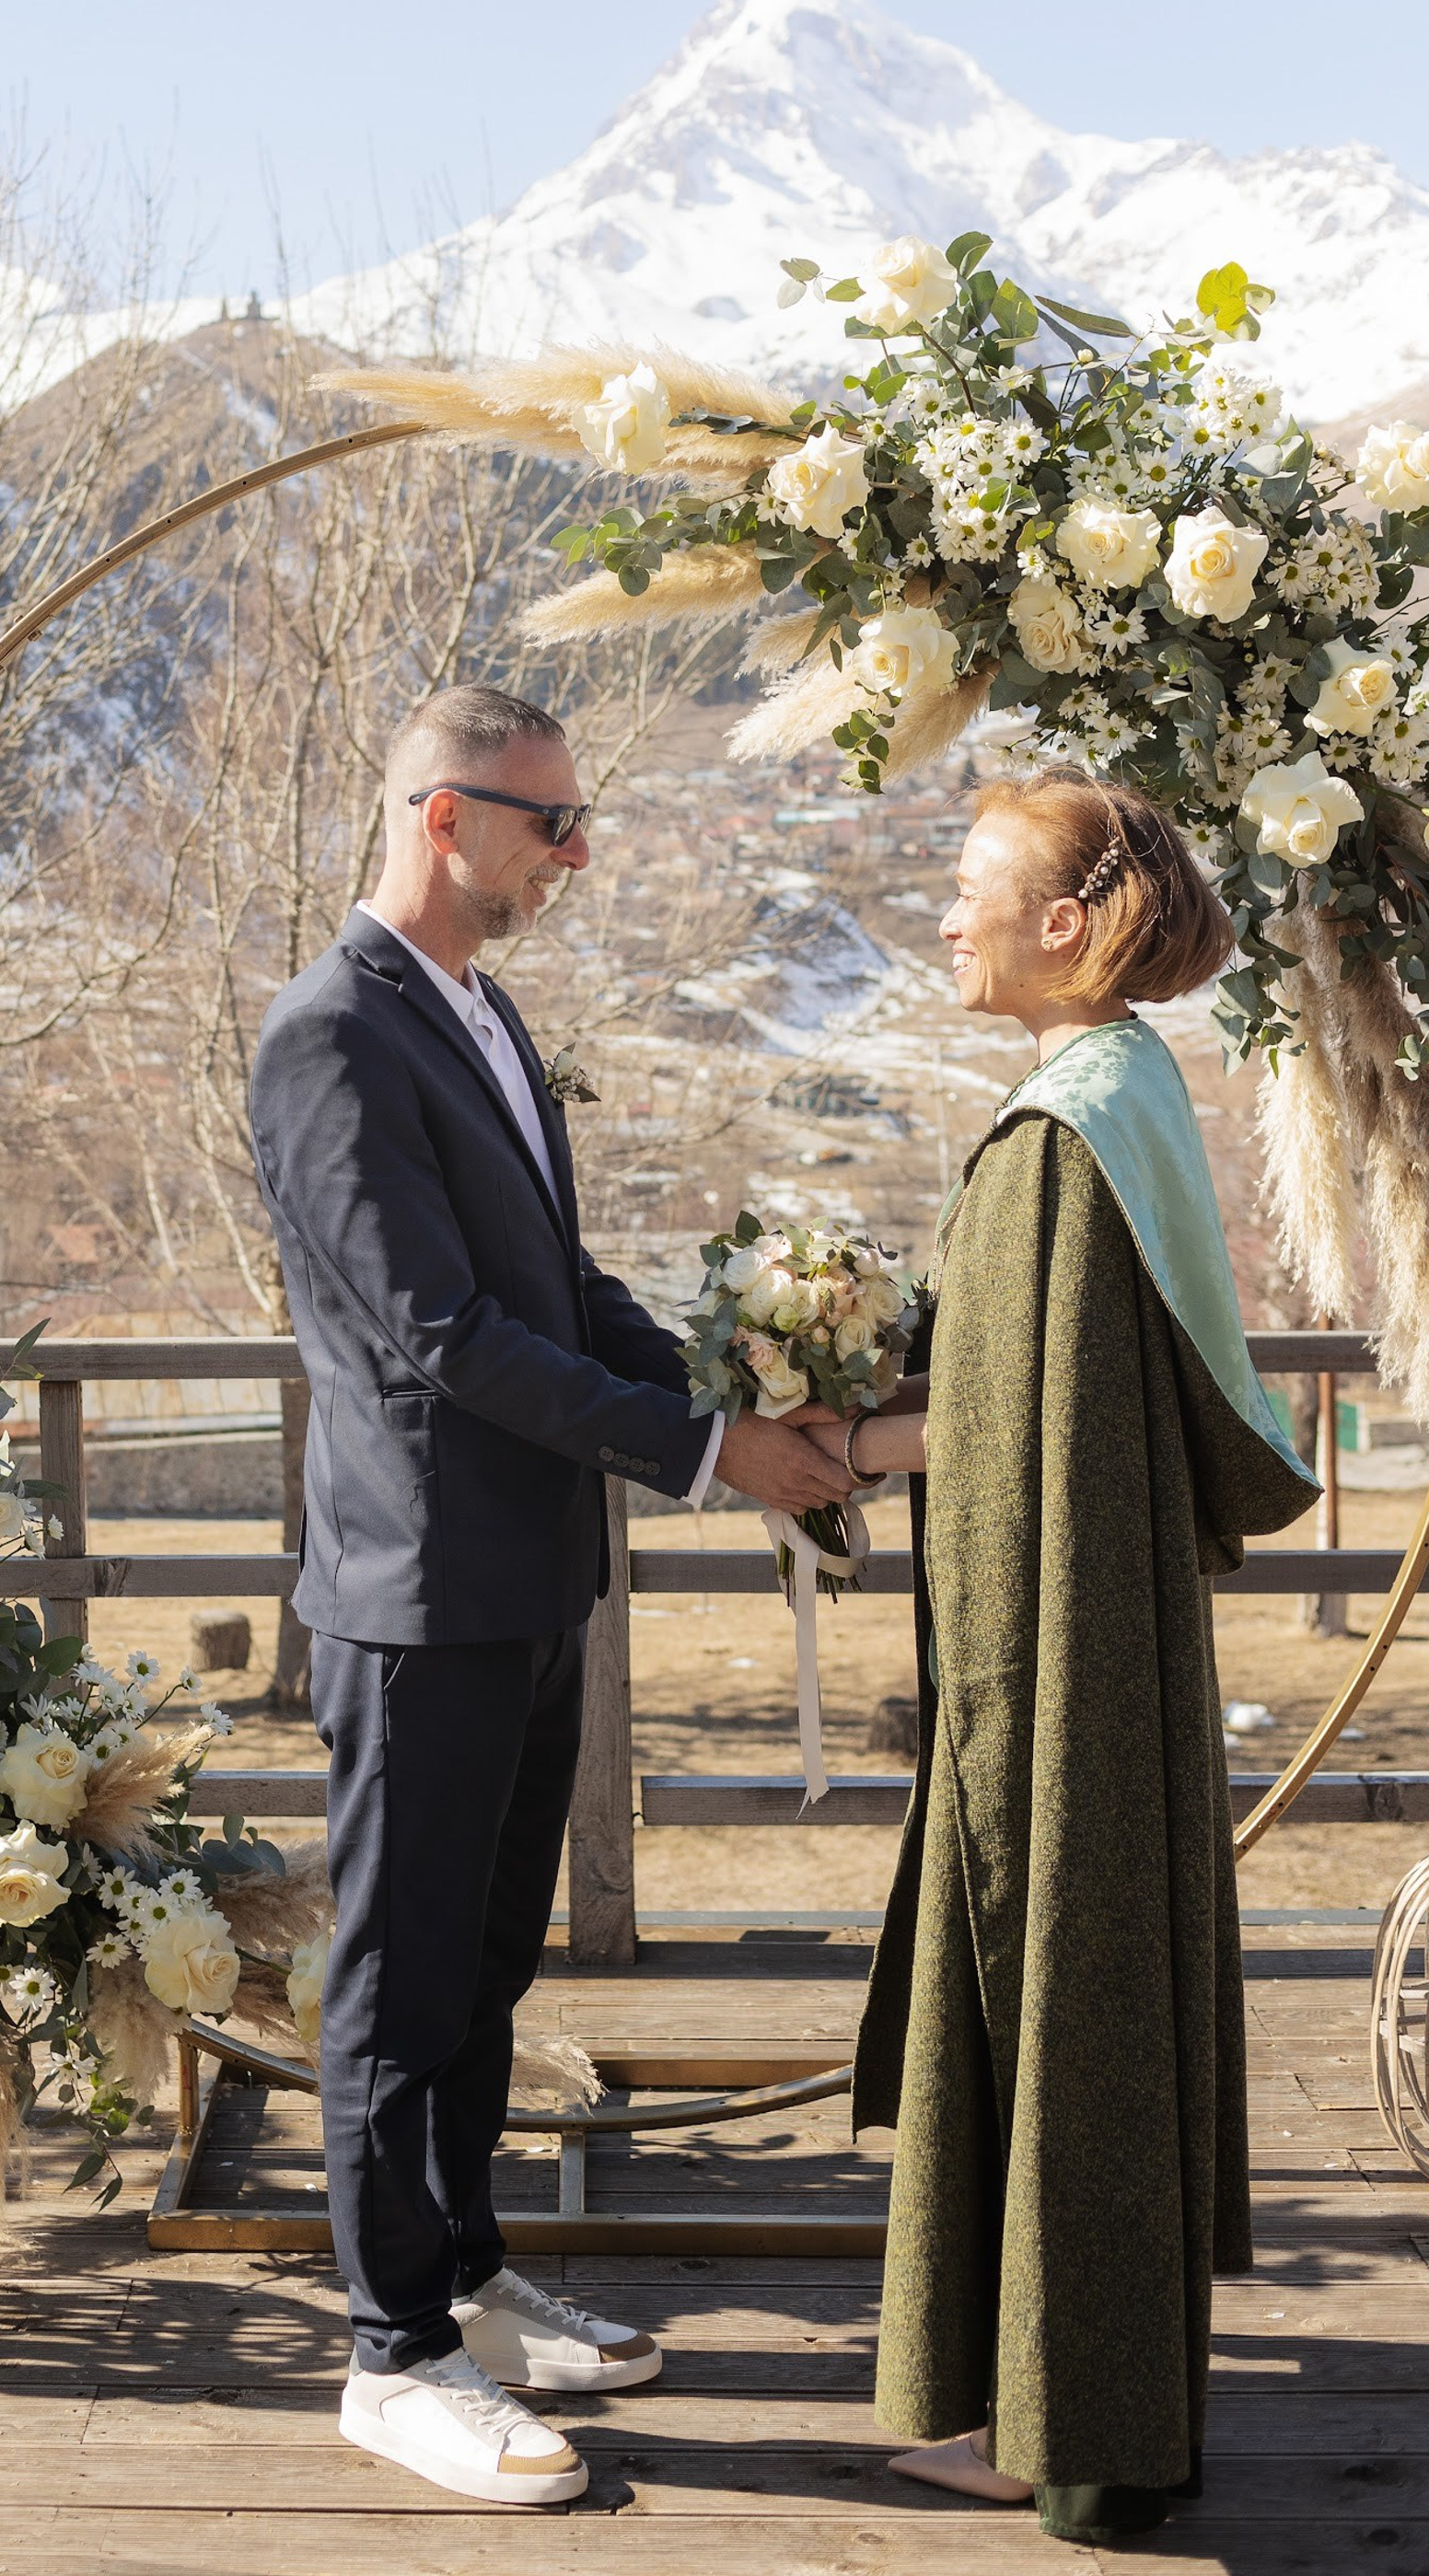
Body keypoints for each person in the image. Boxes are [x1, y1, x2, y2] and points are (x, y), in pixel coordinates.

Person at [250, 683, 845, 2509]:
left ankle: (470, 2277)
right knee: (396, 1976)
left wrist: (724, 1397)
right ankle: (390, 2355)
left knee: (491, 1967)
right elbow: (439, 1341)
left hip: (528, 1583)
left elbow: (559, 1286)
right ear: (445, 818)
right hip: (417, 1594)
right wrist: (696, 1459)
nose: (573, 854)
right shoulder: (329, 1041)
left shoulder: (482, 1015)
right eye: (549, 823)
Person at [799, 769, 1319, 2546]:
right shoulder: (1137, 1098)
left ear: (1072, 926)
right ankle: (1061, 2406)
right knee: (1086, 1999)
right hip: (1111, 1641)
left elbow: (1000, 1428)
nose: (943, 916)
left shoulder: (1055, 1140)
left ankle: (1064, 2433)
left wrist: (839, 1446)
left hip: (1056, 1662)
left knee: (1057, 1989)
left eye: (970, 886)